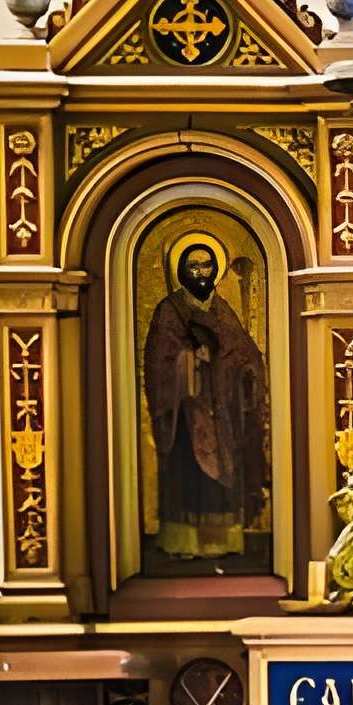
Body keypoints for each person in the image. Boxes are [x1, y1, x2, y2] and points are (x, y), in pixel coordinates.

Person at [143, 236, 269, 562]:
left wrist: (248, 370)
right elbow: (159, 361)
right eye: (194, 266)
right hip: (187, 413)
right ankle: (185, 543)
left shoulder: (221, 307)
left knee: (223, 475)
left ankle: (220, 541)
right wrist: (189, 359)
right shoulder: (170, 310)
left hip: (222, 413)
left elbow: (243, 352)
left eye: (207, 265)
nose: (201, 272)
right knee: (190, 477)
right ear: (183, 271)